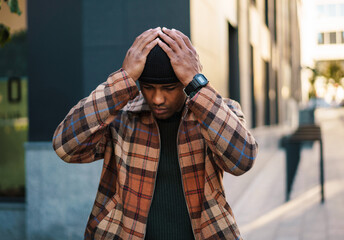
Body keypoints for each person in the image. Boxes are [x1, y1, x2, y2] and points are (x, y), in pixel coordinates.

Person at [53, 27, 258, 240]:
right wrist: (123, 80)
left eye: (169, 88)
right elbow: (65, 146)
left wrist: (197, 85)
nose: (157, 99)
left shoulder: (217, 111)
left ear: (184, 83)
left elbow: (243, 160)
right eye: (148, 87)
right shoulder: (122, 116)